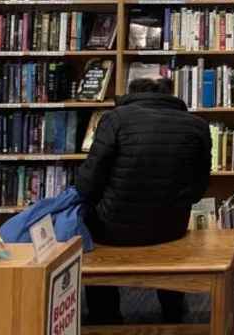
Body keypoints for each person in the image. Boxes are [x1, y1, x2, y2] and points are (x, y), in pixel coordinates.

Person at [77, 76, 211, 326]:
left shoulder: (114, 119)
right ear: (170, 96)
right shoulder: (197, 125)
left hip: (112, 230)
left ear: (131, 94)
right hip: (171, 227)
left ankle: (105, 317)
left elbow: (88, 182)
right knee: (171, 248)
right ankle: (174, 311)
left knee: (85, 226)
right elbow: (199, 188)